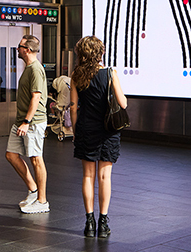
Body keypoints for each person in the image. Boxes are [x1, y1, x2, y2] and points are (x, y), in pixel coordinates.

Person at [69, 36, 127, 238]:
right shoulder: (110, 73)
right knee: (105, 177)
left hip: (86, 129)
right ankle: (103, 223)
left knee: (87, 176)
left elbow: (74, 108)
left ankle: (89, 222)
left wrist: (76, 132)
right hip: (108, 131)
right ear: (100, 53)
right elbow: (123, 103)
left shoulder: (76, 75)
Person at [6, 34, 49, 214]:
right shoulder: (28, 68)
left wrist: (26, 121)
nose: (17, 49)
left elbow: (36, 97)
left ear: (28, 50)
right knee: (11, 155)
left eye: (20, 46)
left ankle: (42, 201)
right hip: (22, 121)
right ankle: (33, 189)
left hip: (32, 121)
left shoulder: (35, 69)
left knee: (36, 159)